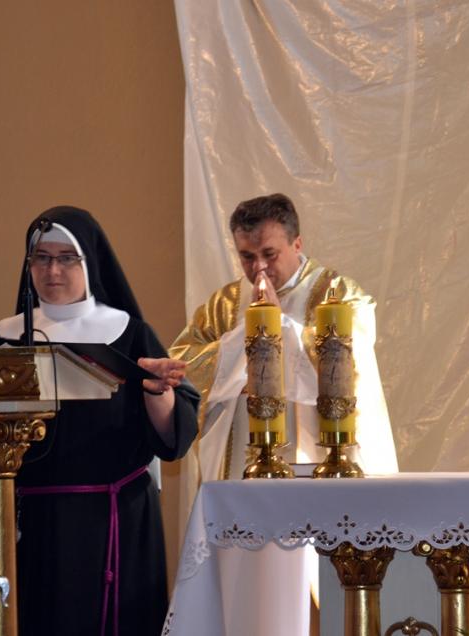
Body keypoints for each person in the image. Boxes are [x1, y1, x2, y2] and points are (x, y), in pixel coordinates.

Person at [0, 206, 199, 636]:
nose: (52, 270)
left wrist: (157, 392)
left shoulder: (129, 334)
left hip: (109, 522)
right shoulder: (1, 337)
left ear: (90, 262)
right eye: (41, 258)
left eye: (67, 258)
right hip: (24, 521)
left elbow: (172, 440)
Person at [170, 192, 398, 529]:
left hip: (316, 458)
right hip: (241, 464)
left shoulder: (338, 294)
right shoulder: (225, 304)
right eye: (247, 256)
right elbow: (184, 365)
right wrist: (245, 339)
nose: (258, 267)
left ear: (297, 243)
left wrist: (275, 328)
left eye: (269, 254)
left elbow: (349, 365)